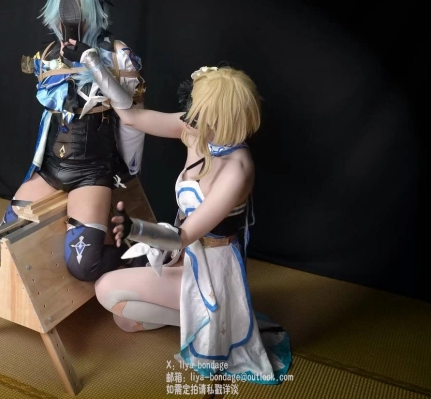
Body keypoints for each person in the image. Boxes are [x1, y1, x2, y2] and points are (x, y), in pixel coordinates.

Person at [94, 66, 292, 384]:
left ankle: (217, 320)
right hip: (185, 255)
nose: (188, 121)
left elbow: (185, 234)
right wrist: (94, 65)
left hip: (213, 268)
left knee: (106, 289)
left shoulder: (237, 168)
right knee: (125, 320)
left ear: (221, 119)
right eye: (192, 112)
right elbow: (131, 117)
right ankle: (210, 320)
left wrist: (135, 229)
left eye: (199, 116)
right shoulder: (195, 128)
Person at [0, 0, 147, 282]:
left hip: (92, 172)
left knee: (83, 266)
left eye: (79, 9)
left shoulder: (117, 54)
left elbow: (133, 114)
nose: (70, 17)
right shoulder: (48, 54)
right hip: (52, 167)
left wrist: (130, 167)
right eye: (65, 8)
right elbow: (49, 115)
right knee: (4, 239)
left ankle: (138, 253)